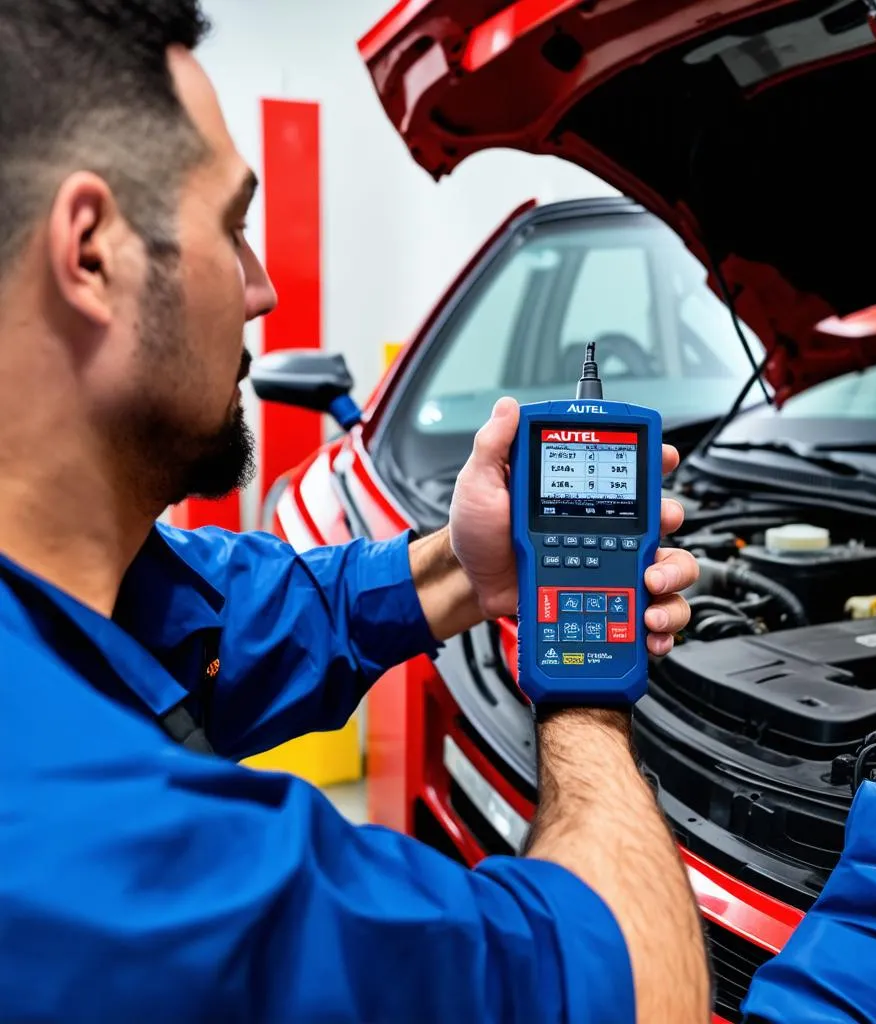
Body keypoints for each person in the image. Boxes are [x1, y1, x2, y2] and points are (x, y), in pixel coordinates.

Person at [0, 3, 709, 1022]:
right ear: (92, 251)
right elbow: (636, 986)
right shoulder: (117, 870)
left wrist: (474, 572)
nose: (262, 286)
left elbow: (225, 616)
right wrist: (584, 691)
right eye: (233, 225)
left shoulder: (81, 598)